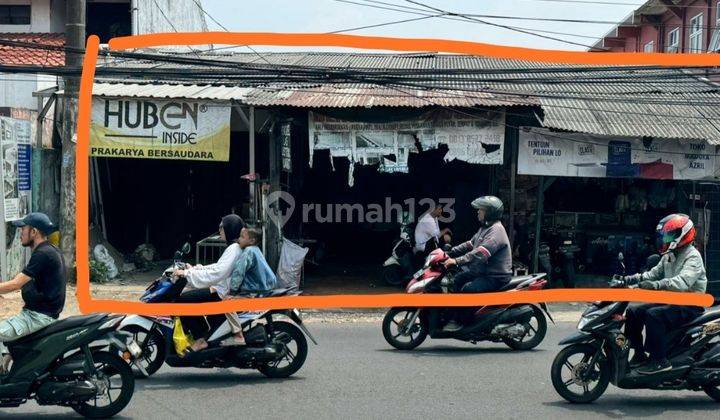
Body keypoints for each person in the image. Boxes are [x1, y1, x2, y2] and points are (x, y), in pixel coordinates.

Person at [622, 214, 707, 375]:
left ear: (682, 234)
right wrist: (628, 279)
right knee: (633, 311)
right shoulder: (670, 254)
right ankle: (639, 355)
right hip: (672, 300)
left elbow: (681, 283)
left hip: (690, 305)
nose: (665, 238)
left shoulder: (693, 256)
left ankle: (659, 361)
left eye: (670, 235)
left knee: (654, 315)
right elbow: (652, 274)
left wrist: (655, 286)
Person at [0, 213, 65, 374]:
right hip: (36, 313)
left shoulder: (42, 254)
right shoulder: (48, 250)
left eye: (23, 229)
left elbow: (16, 284)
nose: (20, 233)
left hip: (37, 317)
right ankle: (5, 366)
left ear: (34, 232)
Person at [173, 214, 244, 352]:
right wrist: (196, 268)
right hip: (221, 288)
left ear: (230, 229)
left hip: (222, 292)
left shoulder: (234, 248)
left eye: (222, 227)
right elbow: (218, 267)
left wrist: (187, 273)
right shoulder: (233, 248)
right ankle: (207, 335)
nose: (219, 231)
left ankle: (201, 339)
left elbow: (218, 272)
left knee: (183, 301)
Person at [441, 196, 512, 331]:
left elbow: (480, 253)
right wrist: (449, 253)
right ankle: (453, 315)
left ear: (490, 212)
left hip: (495, 277)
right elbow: (470, 244)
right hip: (482, 272)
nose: (478, 212)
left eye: (481, 210)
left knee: (468, 289)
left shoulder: (496, 231)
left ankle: (465, 322)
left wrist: (456, 261)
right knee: (457, 279)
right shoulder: (485, 228)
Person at [222, 227, 278, 346]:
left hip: (253, 293)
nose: (239, 239)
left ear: (252, 240)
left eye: (242, 237)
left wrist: (232, 291)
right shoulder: (256, 250)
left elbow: (239, 272)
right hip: (264, 291)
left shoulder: (248, 251)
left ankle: (238, 336)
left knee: (226, 303)